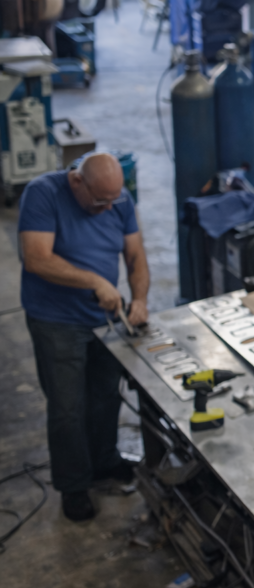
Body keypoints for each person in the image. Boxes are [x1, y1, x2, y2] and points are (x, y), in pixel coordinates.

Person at [19, 153, 150, 522]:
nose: (108, 208)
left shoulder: (118, 199)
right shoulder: (43, 194)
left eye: (113, 201)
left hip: (104, 317)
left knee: (105, 394)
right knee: (67, 407)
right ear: (77, 181)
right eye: (100, 202)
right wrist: (95, 281)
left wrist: (139, 298)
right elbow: (37, 258)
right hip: (56, 319)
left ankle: (104, 461)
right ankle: (73, 484)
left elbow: (135, 255)